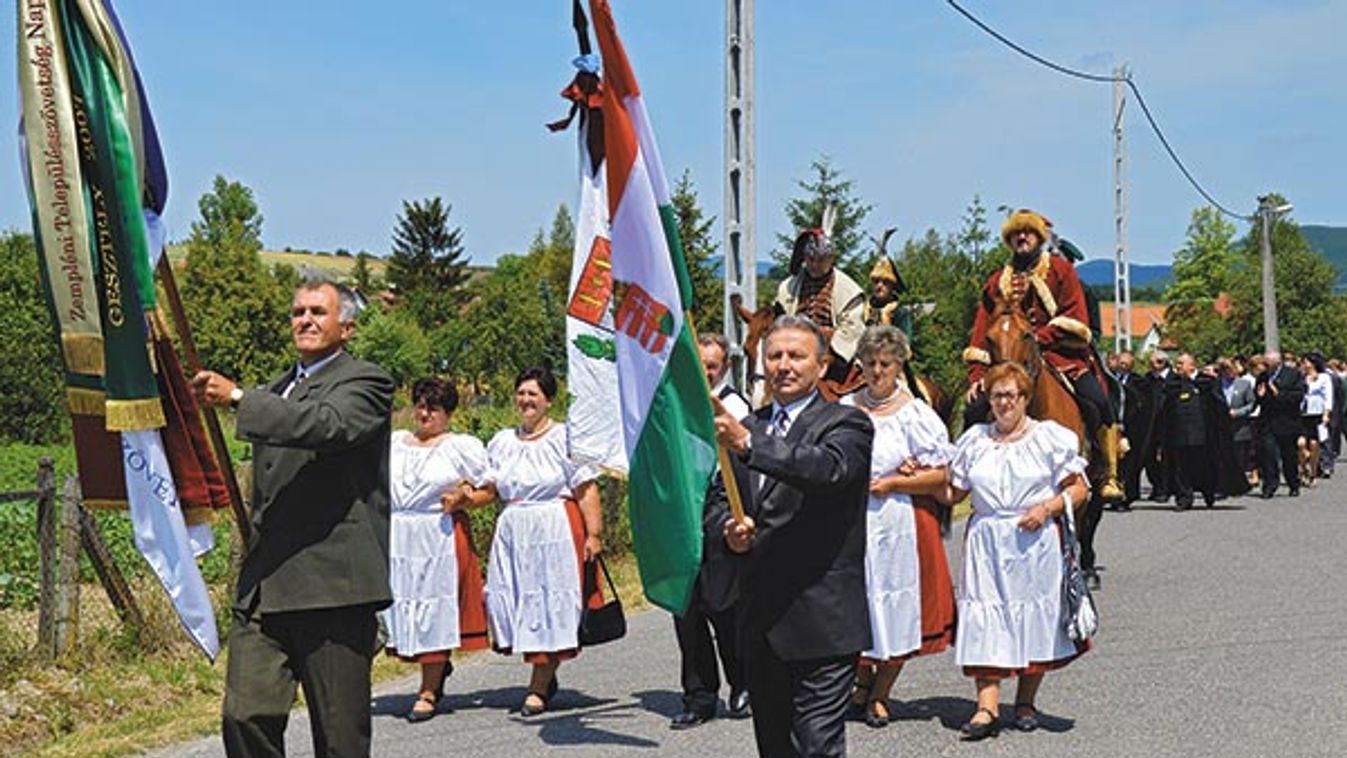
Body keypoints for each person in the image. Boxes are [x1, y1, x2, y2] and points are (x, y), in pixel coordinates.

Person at [193, 278, 395, 758]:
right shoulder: (277, 387)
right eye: (298, 312)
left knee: (340, 737)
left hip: (333, 589)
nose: (304, 320)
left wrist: (241, 399)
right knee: (244, 716)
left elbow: (328, 425)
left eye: (317, 312)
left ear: (346, 327)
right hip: (267, 587)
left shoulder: (366, 381)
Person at [709, 314, 873, 758]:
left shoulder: (847, 424)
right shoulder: (752, 425)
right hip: (762, 623)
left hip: (823, 623)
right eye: (775, 355)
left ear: (821, 366)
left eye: (796, 355)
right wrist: (730, 531)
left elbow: (827, 470)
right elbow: (723, 498)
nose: (784, 364)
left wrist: (748, 444)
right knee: (776, 748)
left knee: (816, 748)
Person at [943, 362, 1091, 740]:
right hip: (987, 539)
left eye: (1011, 395)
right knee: (985, 614)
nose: (1004, 403)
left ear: (1025, 398)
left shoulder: (1049, 438)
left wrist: (1047, 508)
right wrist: (906, 481)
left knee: (1033, 615)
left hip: (1034, 538)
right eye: (997, 396)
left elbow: (1078, 489)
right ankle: (986, 707)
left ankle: (1025, 701)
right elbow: (952, 492)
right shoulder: (975, 439)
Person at [447, 366, 602, 717]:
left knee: (549, 603)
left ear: (548, 400)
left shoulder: (564, 438)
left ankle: (539, 684)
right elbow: (491, 490)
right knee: (519, 602)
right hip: (514, 529)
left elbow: (585, 487)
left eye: (533, 394)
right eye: (521, 393)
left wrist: (594, 534)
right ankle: (544, 675)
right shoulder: (502, 441)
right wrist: (465, 500)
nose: (526, 400)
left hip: (555, 527)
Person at [961, 209, 1123, 500]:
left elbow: (1075, 316)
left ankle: (1107, 472)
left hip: (1060, 355)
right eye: (1016, 234)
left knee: (1098, 402)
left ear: (1039, 237)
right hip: (1005, 362)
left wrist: (1037, 339)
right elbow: (981, 331)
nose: (1022, 237)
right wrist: (976, 375)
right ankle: (966, 473)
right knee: (973, 410)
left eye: (1028, 232)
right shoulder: (997, 280)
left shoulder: (1061, 270)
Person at [838, 326, 954, 729]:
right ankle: (861, 680)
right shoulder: (846, 407)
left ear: (899, 365)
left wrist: (897, 482)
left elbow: (941, 476)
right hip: (851, 520)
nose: (876, 371)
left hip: (900, 519)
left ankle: (881, 693)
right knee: (857, 602)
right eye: (869, 364)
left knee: (899, 605)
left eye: (884, 364)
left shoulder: (915, 414)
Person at [384, 377, 489, 723]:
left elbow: (490, 488)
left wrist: (463, 498)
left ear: (448, 413)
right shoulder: (397, 443)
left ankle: (428, 689)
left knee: (434, 608)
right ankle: (434, 669)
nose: (424, 413)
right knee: (401, 606)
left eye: (434, 408)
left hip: (438, 533)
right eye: (421, 405)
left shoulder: (460, 447)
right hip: (400, 533)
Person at [669, 334, 752, 729]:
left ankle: (744, 683)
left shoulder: (734, 405)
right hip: (682, 507)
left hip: (720, 503)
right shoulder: (672, 402)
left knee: (724, 605)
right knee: (687, 609)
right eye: (698, 363)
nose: (704, 371)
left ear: (725, 368)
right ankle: (699, 697)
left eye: (712, 366)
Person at [775, 218, 866, 384]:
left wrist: (825, 359)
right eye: (811, 259)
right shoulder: (787, 287)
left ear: (831, 259)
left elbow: (851, 331)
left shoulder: (850, 291)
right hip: (792, 357)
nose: (815, 264)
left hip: (836, 366)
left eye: (821, 260)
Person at [1160, 355, 1222, 510]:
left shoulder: (1206, 382)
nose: (1178, 366)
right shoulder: (1172, 383)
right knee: (1180, 468)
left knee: (1203, 465)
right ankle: (1184, 498)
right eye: (1177, 363)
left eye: (1181, 363)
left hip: (1202, 434)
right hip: (1179, 433)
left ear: (1192, 365)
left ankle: (1209, 493)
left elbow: (1218, 404)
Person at [1255, 350, 1306, 498]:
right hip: (1268, 421)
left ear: (1277, 362)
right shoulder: (1263, 376)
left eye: (1268, 362)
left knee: (1288, 455)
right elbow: (1258, 397)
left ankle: (1293, 483)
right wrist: (1260, 396)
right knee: (1268, 454)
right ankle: (1270, 485)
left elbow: (1298, 396)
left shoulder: (1293, 374)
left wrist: (1278, 394)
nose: (1265, 365)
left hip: (1287, 421)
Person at [1141, 351, 1173, 502]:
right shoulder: (1147, 380)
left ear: (1163, 363)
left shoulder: (1174, 379)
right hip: (1150, 424)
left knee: (1166, 458)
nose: (1152, 365)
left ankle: (1165, 489)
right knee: (1149, 457)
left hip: (1169, 424)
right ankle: (1156, 485)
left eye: (1155, 362)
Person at [1222, 357, 1257, 490]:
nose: (1228, 372)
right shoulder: (1217, 384)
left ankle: (1238, 482)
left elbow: (1251, 404)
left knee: (1239, 456)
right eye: (1225, 370)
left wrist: (1238, 412)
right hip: (1223, 425)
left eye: (1231, 369)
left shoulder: (1244, 384)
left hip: (1239, 425)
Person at [1299, 353, 1331, 487]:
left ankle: (1312, 472)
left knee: (1314, 445)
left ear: (1313, 363)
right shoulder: (1300, 377)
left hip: (1316, 413)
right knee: (1300, 444)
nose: (1304, 365)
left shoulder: (1323, 378)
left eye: (1306, 362)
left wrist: (1326, 413)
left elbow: (1328, 396)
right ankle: (1302, 467)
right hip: (1301, 413)